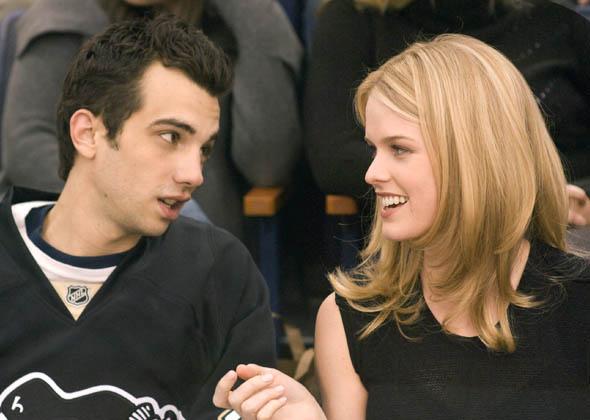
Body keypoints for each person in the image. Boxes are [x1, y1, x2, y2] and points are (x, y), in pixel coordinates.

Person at [213, 34, 590, 419]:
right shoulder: (352, 319)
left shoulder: (581, 304)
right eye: (373, 148)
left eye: (399, 149)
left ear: (474, 157)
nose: (372, 173)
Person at [0, 16, 275, 419]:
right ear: (88, 133)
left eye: (204, 149)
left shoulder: (219, 272)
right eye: (170, 137)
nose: (194, 174)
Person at [1, 0, 301, 239]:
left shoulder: (232, 22)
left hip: (202, 254)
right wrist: (132, 205)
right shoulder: (66, 16)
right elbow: (27, 147)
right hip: (85, 241)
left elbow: (266, 166)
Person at [304, 0, 590, 228]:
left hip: (573, 219)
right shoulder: (356, 17)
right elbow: (335, 158)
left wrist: (579, 198)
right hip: (425, 232)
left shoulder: (559, 19)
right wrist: (524, 200)